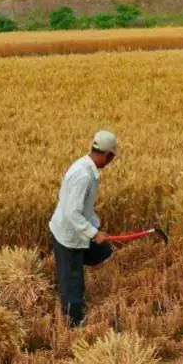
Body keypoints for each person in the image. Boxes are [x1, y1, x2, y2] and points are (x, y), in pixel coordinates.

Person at [49, 130, 119, 327]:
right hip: (69, 235)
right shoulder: (84, 176)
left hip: (76, 228)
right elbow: (72, 213)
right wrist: (94, 233)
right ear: (108, 155)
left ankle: (69, 271)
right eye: (112, 157)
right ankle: (74, 325)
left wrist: (94, 227)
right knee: (73, 284)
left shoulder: (84, 164)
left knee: (103, 250)